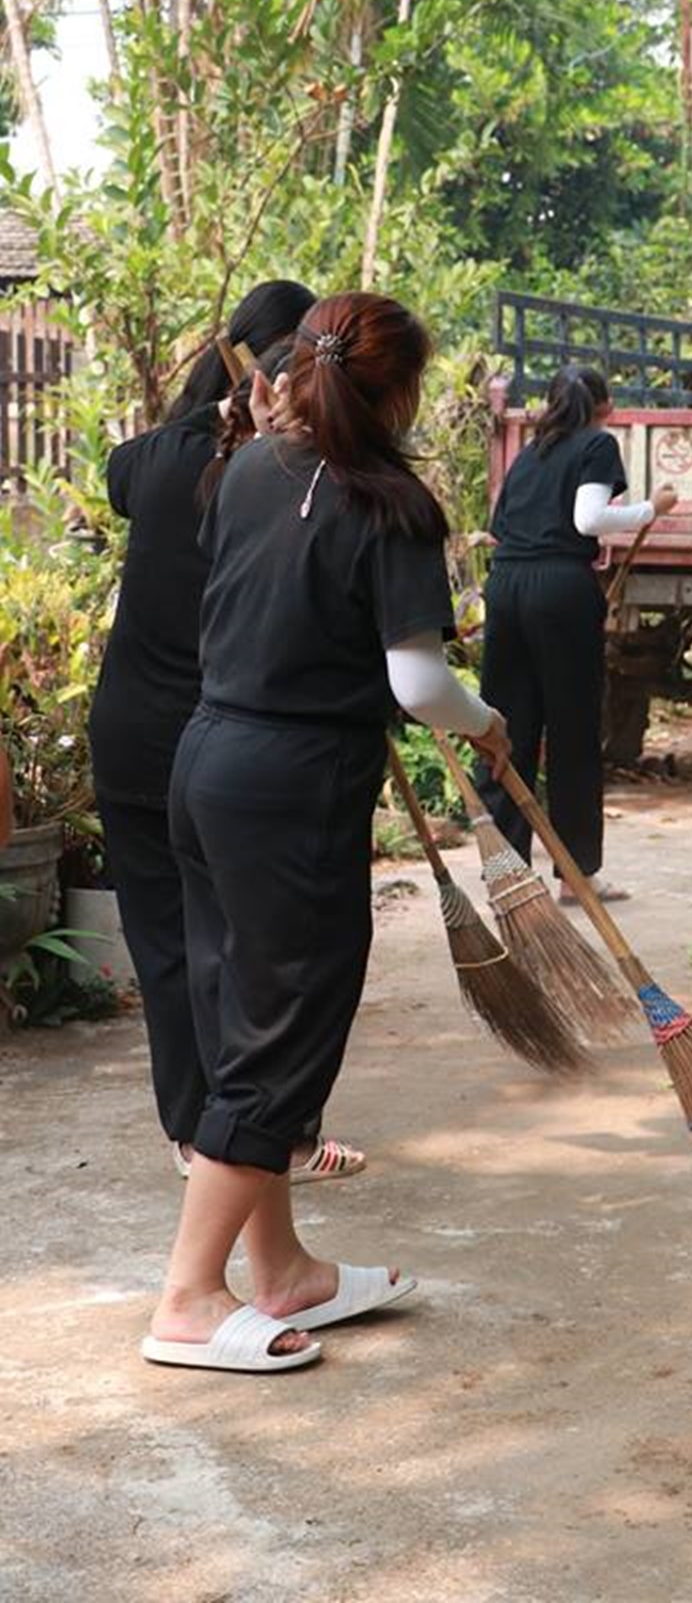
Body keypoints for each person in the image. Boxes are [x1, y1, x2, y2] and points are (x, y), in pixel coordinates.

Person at [145, 291, 510, 1373]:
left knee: (238, 1024)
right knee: (281, 1038)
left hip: (206, 764)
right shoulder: (391, 503)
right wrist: (486, 724)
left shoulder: (247, 468)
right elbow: (418, 683)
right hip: (291, 792)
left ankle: (283, 1269)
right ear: (400, 393)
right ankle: (187, 1299)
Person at [89, 283, 366, 1183]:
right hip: (224, 742)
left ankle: (198, 1133)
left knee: (173, 947)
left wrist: (208, 413)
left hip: (135, 733)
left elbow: (119, 472)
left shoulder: (172, 456)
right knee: (261, 953)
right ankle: (260, 1135)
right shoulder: (279, 477)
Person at [477, 365, 676, 904]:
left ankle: (506, 875)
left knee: (507, 730)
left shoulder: (529, 454)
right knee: (572, 733)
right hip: (559, 590)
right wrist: (651, 509)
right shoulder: (596, 444)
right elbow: (588, 521)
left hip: (507, 585)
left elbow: (499, 525)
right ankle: (576, 873)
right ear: (604, 406)